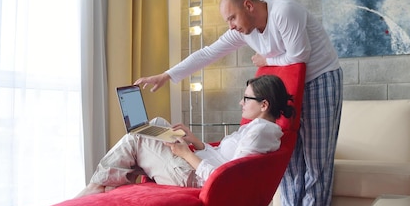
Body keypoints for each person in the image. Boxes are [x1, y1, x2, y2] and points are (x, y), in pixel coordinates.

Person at [134, 0, 343, 206]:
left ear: (249, 6)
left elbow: (300, 56)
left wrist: (265, 60)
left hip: (319, 78)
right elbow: (208, 53)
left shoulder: (285, 11)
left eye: (232, 18)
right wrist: (166, 75)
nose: (231, 26)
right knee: (288, 154)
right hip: (287, 82)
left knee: (315, 155)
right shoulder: (246, 32)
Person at [77, 75, 295, 197]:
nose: (241, 103)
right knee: (157, 124)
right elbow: (226, 160)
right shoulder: (260, 128)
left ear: (264, 104)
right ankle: (113, 184)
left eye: (246, 99)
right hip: (195, 168)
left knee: (137, 136)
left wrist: (187, 155)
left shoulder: (259, 133)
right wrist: (196, 142)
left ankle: (98, 186)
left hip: (192, 178)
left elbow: (227, 179)